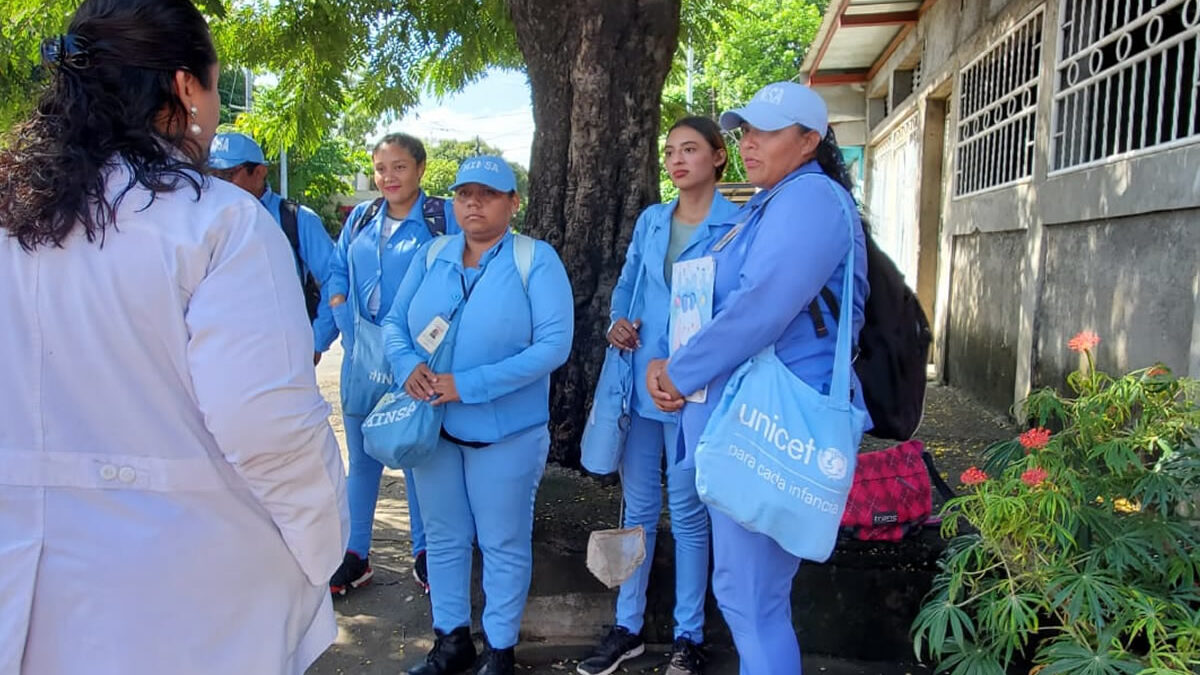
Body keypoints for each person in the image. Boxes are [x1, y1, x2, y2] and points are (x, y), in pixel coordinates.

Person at [0, 1, 349, 673]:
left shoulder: (14, 219)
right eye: (216, 85)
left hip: (25, 586)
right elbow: (271, 427)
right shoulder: (220, 225)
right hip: (181, 602)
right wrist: (319, 550)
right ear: (187, 87)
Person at [646, 83, 870, 675]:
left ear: (810, 140)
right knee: (747, 597)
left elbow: (761, 307)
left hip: (771, 424)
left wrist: (681, 370)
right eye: (745, 131)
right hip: (747, 420)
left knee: (752, 600)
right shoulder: (773, 200)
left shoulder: (810, 199)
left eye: (766, 131)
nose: (749, 142)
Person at [382, 156, 574, 675]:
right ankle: (451, 643)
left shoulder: (536, 260)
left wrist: (467, 386)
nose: (473, 203)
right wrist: (407, 367)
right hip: (433, 428)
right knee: (444, 538)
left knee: (502, 541)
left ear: (513, 203)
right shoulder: (433, 254)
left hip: (504, 433)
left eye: (488, 194)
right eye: (464, 193)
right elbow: (395, 323)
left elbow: (554, 346)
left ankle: (500, 651)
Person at [577, 117, 739, 675]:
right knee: (637, 511)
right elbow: (627, 284)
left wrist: (691, 371)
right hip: (639, 384)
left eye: (690, 149)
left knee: (691, 515)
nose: (676, 159)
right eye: (669, 150)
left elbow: (736, 312)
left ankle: (688, 636)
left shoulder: (736, 225)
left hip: (695, 391)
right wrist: (616, 321)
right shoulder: (651, 221)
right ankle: (627, 628)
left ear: (719, 158)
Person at [325, 133, 459, 596]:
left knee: (417, 455)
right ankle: (354, 555)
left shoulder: (442, 220)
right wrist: (342, 313)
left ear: (421, 169)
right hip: (362, 357)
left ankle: (425, 554)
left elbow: (460, 279)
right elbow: (337, 269)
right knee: (361, 461)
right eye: (381, 168)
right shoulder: (361, 218)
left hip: (417, 362)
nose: (388, 177)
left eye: (399, 167)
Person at [208, 131, 339, 365]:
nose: (218, 184)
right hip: (223, 353)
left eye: (227, 175)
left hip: (284, 353)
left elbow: (335, 278)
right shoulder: (206, 221)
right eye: (212, 175)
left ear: (259, 172)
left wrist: (316, 340)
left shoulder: (297, 220)